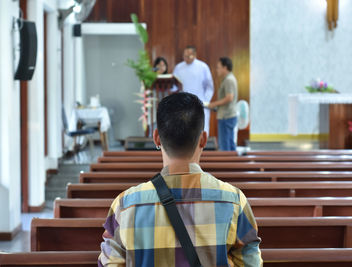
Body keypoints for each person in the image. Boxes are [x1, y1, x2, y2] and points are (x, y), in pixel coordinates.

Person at [98, 92, 262, 267]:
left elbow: (109, 263)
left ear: (156, 138)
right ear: (204, 139)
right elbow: (251, 263)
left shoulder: (124, 206)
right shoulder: (234, 202)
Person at [173, 46, 214, 135]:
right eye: (184, 56)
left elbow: (210, 87)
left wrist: (205, 101)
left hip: (200, 103)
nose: (186, 58)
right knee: (185, 132)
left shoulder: (203, 67)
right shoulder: (178, 67)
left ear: (194, 55)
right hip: (183, 105)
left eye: (188, 56)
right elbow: (174, 86)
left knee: (201, 131)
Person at [207, 57, 238, 151]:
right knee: (230, 143)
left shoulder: (229, 80)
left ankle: (227, 165)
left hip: (226, 116)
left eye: (218, 67)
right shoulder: (228, 79)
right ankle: (233, 164)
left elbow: (229, 97)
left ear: (225, 67)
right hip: (228, 115)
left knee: (225, 146)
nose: (217, 70)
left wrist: (214, 104)